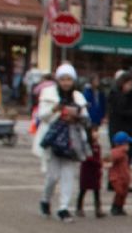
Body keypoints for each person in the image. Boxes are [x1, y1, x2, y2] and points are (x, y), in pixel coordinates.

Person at [40, 91, 95, 221]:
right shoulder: (50, 95)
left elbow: (87, 119)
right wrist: (56, 110)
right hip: (56, 145)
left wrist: (78, 115)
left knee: (68, 177)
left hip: (72, 145)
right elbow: (43, 118)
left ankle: (63, 208)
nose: (66, 82)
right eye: (63, 79)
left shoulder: (78, 97)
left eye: (69, 79)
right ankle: (45, 199)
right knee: (52, 177)